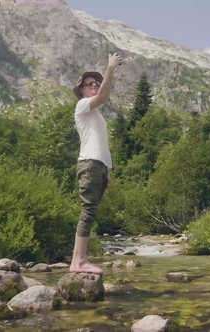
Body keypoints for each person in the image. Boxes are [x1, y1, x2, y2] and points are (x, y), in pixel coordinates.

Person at [69, 52, 123, 274]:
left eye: (97, 83)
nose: (94, 85)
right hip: (90, 164)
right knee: (88, 211)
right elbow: (102, 97)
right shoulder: (82, 105)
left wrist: (107, 172)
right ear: (81, 90)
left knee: (90, 211)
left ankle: (77, 261)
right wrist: (110, 68)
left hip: (98, 166)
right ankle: (79, 262)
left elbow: (102, 144)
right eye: (90, 84)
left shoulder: (97, 116)